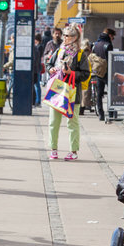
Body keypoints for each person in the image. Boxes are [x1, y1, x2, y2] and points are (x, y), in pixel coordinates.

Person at [46, 23, 89, 161]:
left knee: (72, 123)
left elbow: (85, 74)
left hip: (72, 91)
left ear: (76, 38)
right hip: (57, 90)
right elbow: (49, 64)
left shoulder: (80, 54)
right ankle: (53, 149)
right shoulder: (59, 50)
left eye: (69, 36)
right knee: (53, 122)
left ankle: (73, 151)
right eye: (65, 35)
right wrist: (51, 69)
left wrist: (72, 73)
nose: (66, 38)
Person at [91, 28, 115, 121]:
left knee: (99, 94)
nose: (112, 39)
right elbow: (110, 59)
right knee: (111, 93)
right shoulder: (108, 45)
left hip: (97, 72)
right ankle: (111, 113)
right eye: (113, 37)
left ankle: (101, 114)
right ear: (109, 35)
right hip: (107, 72)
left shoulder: (95, 44)